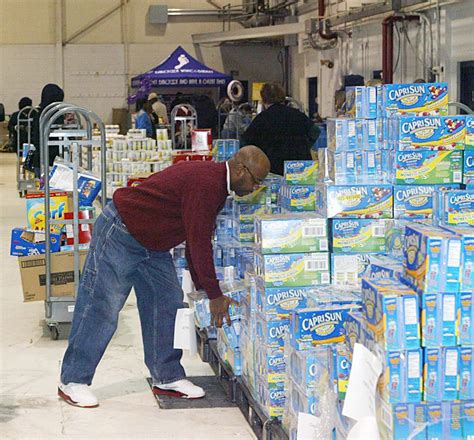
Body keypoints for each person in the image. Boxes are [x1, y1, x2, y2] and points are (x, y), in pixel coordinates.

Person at [57, 145, 271, 408]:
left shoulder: (217, 185)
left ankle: (166, 376)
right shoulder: (207, 184)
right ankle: (73, 380)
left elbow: (195, 237)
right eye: (256, 181)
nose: (256, 188)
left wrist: (204, 289)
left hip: (153, 243)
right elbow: (198, 243)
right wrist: (214, 295)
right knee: (102, 305)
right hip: (122, 232)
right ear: (240, 170)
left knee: (168, 301)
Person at [241, 83, 318, 175]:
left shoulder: (261, 119)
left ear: (263, 99)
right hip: (301, 167)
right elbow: (315, 131)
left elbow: (245, 142)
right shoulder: (297, 114)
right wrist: (304, 146)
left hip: (273, 168)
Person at [30, 84, 65, 177]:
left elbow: (35, 139)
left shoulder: (39, 115)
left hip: (40, 160)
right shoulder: (57, 116)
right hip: (53, 161)